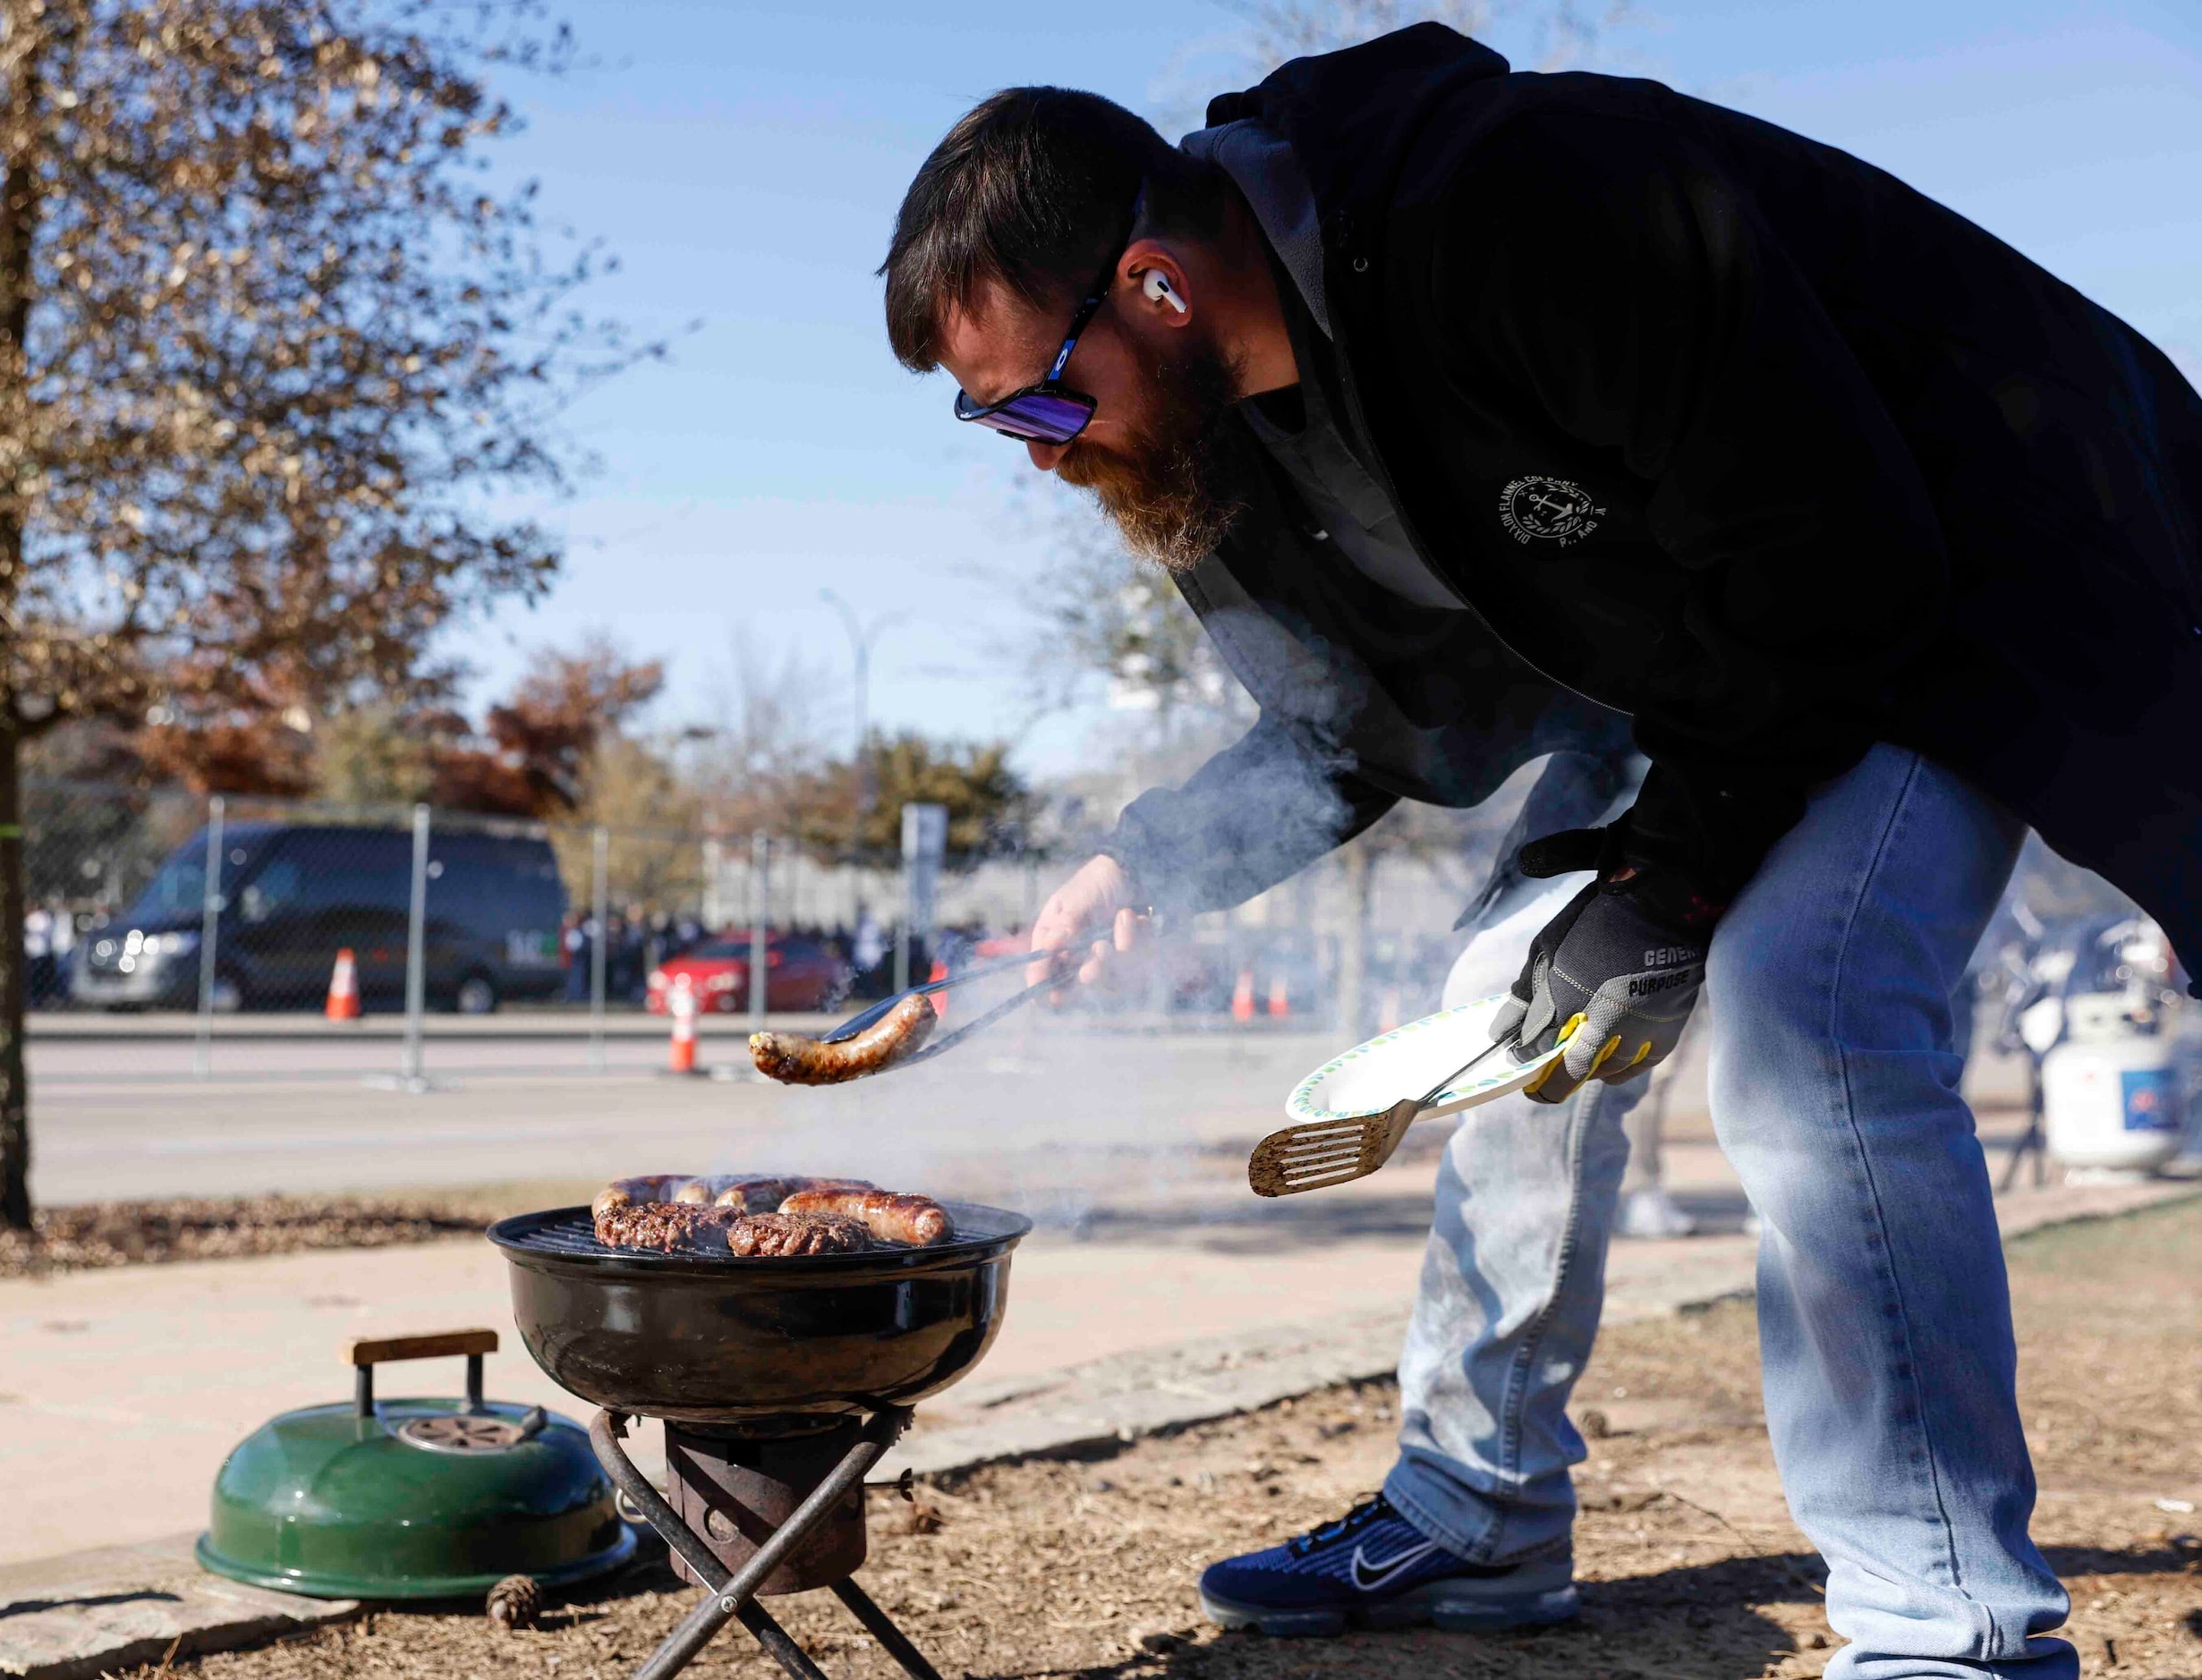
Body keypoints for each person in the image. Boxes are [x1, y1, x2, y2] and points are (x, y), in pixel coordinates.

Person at [879, 26, 2202, 1676]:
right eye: (1002, 426)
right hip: (1716, 656)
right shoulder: (1239, 444)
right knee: (1500, 1002)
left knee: (1809, 1008)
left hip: (1957, 566)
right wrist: (1140, 870)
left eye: (1049, 401)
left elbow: (1841, 563)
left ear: (1153, 284)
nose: (1050, 454)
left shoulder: (1521, 207)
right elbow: (1349, 718)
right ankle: (1478, 1509)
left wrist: (1671, 879)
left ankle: (1949, 1628)